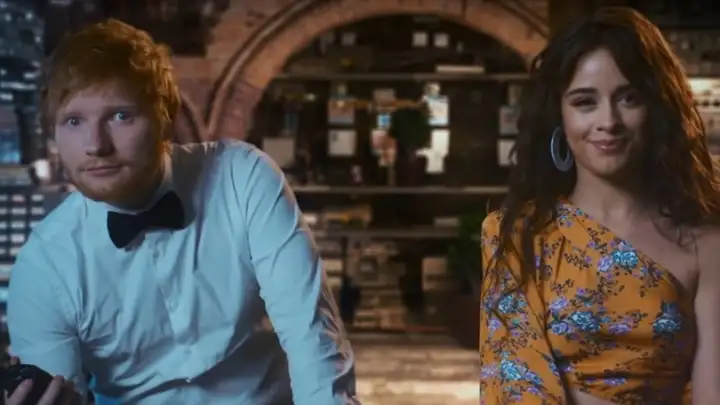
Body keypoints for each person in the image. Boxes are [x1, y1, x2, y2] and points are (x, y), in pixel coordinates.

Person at [5, 19, 359, 405]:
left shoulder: (242, 177)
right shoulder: (44, 265)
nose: (96, 145)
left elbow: (311, 337)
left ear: (164, 118)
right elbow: (57, 395)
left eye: (120, 116)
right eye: (74, 121)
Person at [479, 7, 720, 405]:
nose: (609, 120)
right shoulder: (518, 237)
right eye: (585, 102)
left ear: (657, 108)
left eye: (628, 98)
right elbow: (514, 384)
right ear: (559, 115)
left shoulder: (705, 242)